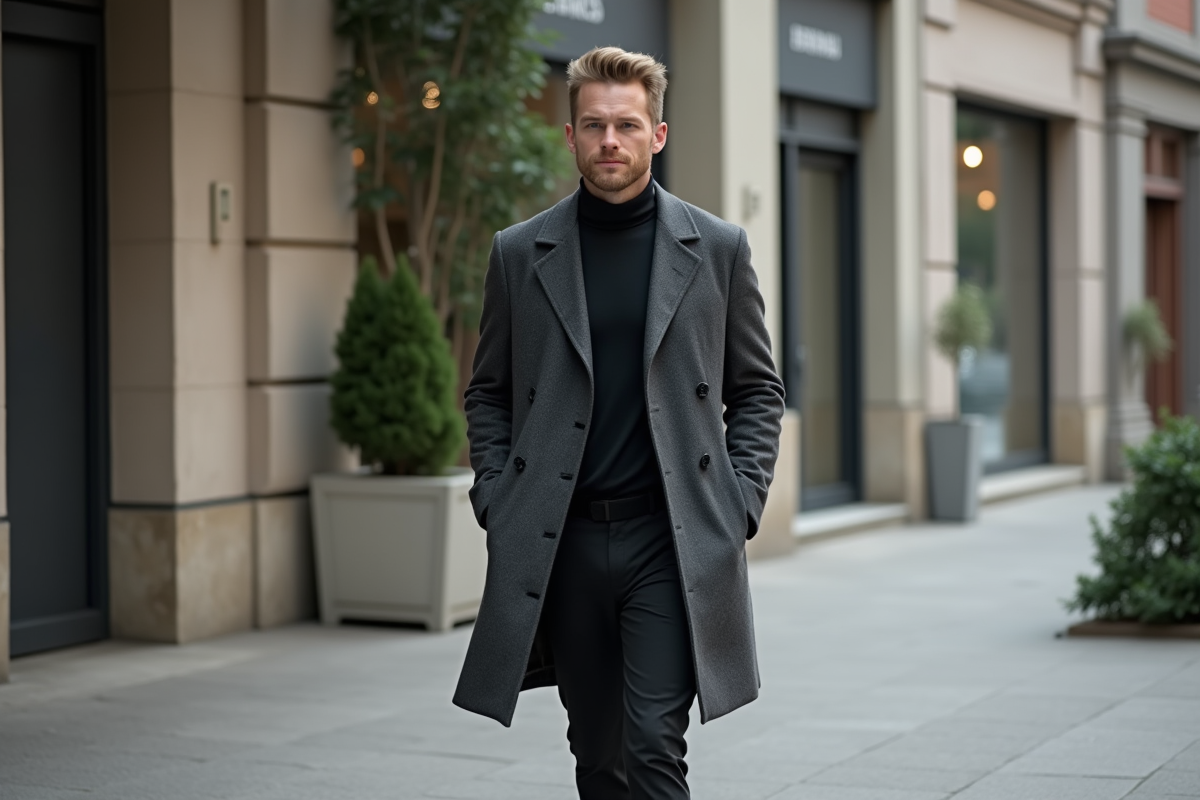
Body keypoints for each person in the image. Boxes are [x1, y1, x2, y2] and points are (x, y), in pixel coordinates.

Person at [453, 46, 785, 800]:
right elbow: (488, 391)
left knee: (653, 750)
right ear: (569, 135)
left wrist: (739, 505)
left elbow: (759, 389)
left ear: (657, 136)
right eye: (595, 125)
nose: (611, 140)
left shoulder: (719, 250)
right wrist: (499, 502)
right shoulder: (518, 253)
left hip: (670, 541)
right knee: (598, 757)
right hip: (560, 541)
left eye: (627, 125)